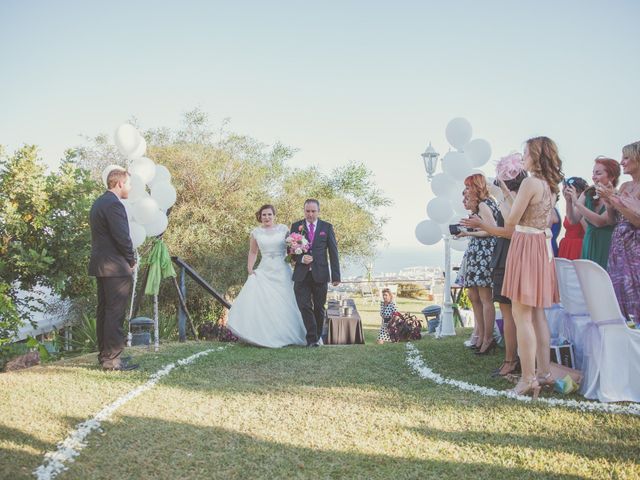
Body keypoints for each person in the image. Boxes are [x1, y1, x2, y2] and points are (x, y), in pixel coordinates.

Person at [501, 136, 563, 398]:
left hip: (526, 244)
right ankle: (545, 372)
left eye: (525, 153)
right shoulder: (549, 186)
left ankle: (528, 379)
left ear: (536, 156)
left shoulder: (529, 182)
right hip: (541, 247)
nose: (522, 158)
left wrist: (505, 200)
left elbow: (511, 221)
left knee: (521, 314)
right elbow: (548, 219)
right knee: (538, 315)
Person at [461, 153, 528, 377]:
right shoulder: (492, 203)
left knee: (497, 303)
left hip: (496, 253)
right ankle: (487, 341)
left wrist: (473, 229)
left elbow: (497, 230)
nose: (466, 191)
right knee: (485, 301)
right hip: (490, 253)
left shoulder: (492, 204)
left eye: (469, 187)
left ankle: (496, 345)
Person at [227, 204, 307, 347]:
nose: (267, 217)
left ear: (274, 215)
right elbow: (253, 252)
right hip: (265, 269)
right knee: (266, 303)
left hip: (282, 269)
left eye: (269, 214)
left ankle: (287, 334)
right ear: (260, 216)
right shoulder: (256, 232)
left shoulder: (283, 229)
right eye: (264, 215)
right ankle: (266, 335)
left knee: (286, 302)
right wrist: (250, 268)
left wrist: (295, 255)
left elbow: (292, 249)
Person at [88, 168, 138, 371]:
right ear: (119, 183)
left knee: (105, 312)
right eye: (129, 183)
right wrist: (131, 258)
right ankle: (112, 360)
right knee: (114, 314)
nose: (130, 187)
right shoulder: (114, 205)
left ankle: (106, 356)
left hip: (101, 266)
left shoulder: (99, 202)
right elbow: (122, 237)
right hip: (115, 268)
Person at [455, 174, 499, 355]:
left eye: (469, 186)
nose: (467, 190)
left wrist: (468, 234)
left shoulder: (484, 204)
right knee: (475, 297)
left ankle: (488, 339)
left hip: (484, 254)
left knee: (485, 299)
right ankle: (481, 335)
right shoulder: (481, 205)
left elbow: (492, 230)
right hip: (476, 253)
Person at [598, 141, 640, 323]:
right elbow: (612, 220)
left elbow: (637, 221)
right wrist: (608, 203)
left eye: (626, 157)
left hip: (635, 248)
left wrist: (613, 200)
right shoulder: (624, 187)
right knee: (619, 290)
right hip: (618, 246)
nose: (622, 162)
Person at [291, 199, 341, 347]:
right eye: (307, 211)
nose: (310, 214)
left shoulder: (327, 227)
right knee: (304, 306)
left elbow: (333, 252)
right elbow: (290, 251)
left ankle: (317, 336)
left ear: (318, 211)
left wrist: (336, 276)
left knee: (319, 307)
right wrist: (301, 259)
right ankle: (312, 338)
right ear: (304, 211)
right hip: (302, 274)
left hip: (321, 274)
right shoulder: (296, 227)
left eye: (313, 211)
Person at [565, 157, 621, 269]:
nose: (593, 177)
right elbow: (573, 220)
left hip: (606, 243)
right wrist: (568, 201)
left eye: (598, 173)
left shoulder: (617, 196)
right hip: (589, 242)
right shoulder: (588, 193)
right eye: (593, 173)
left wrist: (578, 204)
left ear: (612, 176)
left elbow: (600, 222)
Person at [558, 177, 588, 260]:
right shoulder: (570, 205)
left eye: (570, 189)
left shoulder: (583, 207)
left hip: (577, 247)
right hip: (566, 245)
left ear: (579, 192)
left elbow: (587, 230)